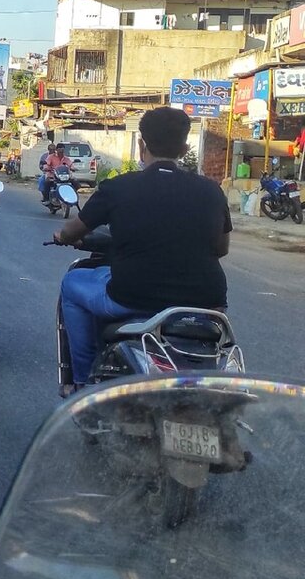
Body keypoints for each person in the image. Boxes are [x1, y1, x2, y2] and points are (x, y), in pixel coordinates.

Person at [53, 107, 231, 397]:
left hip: (131, 298)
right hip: (208, 306)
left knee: (72, 284)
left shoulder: (119, 187)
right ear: (185, 148)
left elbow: (73, 231)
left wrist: (61, 236)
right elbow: (221, 249)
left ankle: (83, 388)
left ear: (141, 145)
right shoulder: (212, 191)